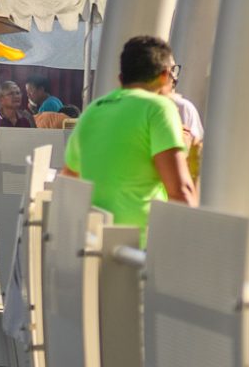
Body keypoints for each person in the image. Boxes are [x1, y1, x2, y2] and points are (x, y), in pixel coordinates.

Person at [61, 36, 194, 235]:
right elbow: (181, 192)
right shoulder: (159, 108)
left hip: (93, 245)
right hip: (142, 249)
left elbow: (69, 181)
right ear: (165, 75)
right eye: (173, 72)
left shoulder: (93, 110)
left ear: (121, 79)